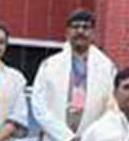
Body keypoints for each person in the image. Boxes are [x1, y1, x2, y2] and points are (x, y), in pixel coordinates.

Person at [32, 9, 116, 141]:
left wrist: (88, 137)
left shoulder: (107, 68)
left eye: (85, 27)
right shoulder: (49, 65)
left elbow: (111, 108)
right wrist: (66, 137)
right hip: (55, 137)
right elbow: (39, 106)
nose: (80, 31)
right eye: (75, 26)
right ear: (67, 33)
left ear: (93, 34)